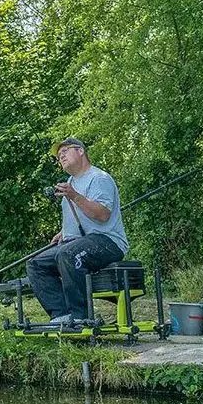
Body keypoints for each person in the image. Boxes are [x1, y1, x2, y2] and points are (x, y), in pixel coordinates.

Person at [26, 138, 129, 324]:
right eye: (58, 156)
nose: (61, 156)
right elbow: (79, 217)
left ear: (80, 151)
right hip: (79, 242)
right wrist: (64, 232)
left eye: (65, 151)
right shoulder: (71, 181)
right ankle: (61, 315)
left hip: (108, 242)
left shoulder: (98, 178)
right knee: (35, 264)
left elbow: (102, 214)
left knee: (67, 254)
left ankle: (81, 317)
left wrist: (74, 195)